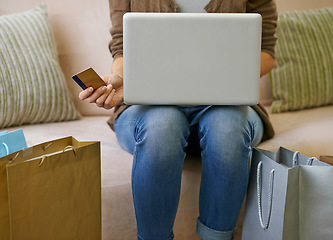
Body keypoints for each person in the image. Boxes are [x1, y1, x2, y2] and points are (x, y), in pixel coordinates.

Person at [79, 0, 278, 239]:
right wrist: (122, 80)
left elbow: (266, 52)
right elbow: (122, 47)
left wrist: (203, 76)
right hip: (150, 107)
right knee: (162, 125)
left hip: (227, 105)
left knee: (226, 128)